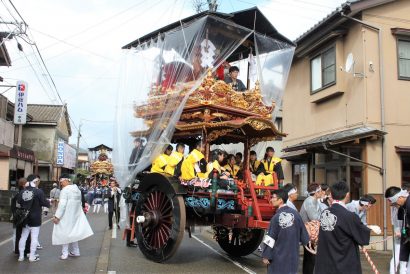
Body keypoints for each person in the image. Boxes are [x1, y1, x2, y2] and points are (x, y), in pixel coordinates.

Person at [315, 181, 381, 274]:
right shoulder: (350, 216)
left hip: (326, 260)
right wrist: (369, 228)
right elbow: (362, 238)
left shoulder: (324, 214)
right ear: (347, 195)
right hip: (343, 261)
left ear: (332, 195)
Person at [262, 188, 309, 274]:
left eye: (273, 197)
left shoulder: (276, 217)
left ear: (280, 200)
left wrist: (266, 255)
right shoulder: (296, 214)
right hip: (293, 256)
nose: (271, 199)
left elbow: (270, 237)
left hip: (278, 257)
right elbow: (304, 236)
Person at [52, 174, 93, 260]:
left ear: (66, 180)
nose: (61, 184)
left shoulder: (65, 190)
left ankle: (64, 253)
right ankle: (76, 251)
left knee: (65, 233)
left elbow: (62, 205)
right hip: (75, 215)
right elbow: (80, 202)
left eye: (61, 182)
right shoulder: (77, 189)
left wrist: (57, 216)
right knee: (74, 233)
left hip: (66, 215)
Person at [17, 174, 50, 262]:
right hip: (35, 217)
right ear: (34, 181)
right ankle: (32, 256)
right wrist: (48, 202)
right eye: (37, 181)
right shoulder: (38, 191)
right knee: (34, 237)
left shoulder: (22, 192)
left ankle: (21, 256)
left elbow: (19, 202)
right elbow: (46, 203)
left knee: (23, 236)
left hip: (24, 218)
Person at [299, 183, 323, 274]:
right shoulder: (310, 201)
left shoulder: (314, 200)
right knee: (311, 257)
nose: (322, 192)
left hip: (311, 231)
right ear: (316, 193)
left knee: (310, 257)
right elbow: (314, 217)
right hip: (309, 231)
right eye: (320, 191)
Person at [385, 187, 410, 273]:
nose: (395, 206)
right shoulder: (403, 207)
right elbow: (402, 224)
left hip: (406, 239)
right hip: (405, 239)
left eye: (395, 203)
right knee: (401, 262)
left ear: (400, 197)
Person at [11, 177, 31, 257]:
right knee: (24, 235)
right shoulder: (24, 194)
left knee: (17, 234)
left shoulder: (18, 194)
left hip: (17, 216)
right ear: (23, 184)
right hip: (23, 216)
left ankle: (17, 250)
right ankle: (25, 251)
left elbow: (13, 207)